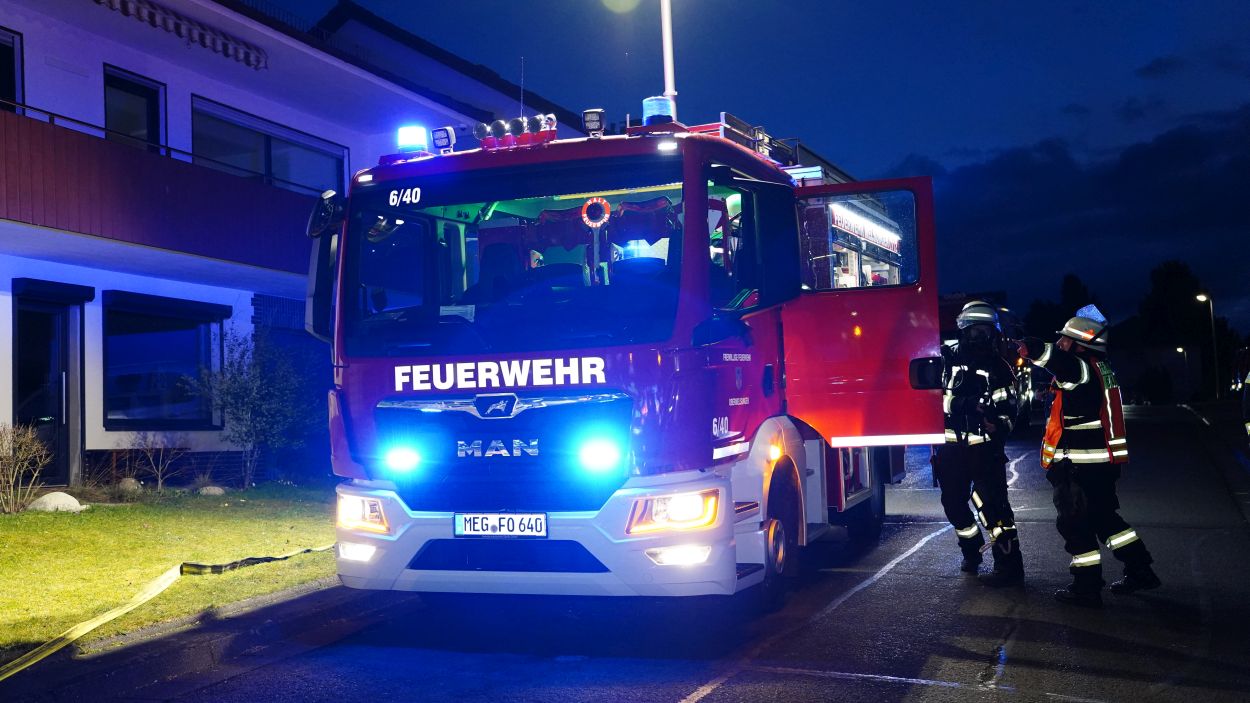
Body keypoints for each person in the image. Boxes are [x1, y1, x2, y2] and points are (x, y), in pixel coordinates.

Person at [1017, 305, 1161, 607]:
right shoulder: (1100, 368)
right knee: (1105, 519)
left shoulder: (1080, 367)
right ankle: (1140, 569)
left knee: (1074, 525)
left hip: (1079, 466)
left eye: (1065, 339)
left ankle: (1086, 586)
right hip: (1099, 464)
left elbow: (1057, 361)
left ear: (1081, 344)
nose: (1060, 343)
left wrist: (1033, 348)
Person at [933, 301, 1023, 586]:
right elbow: (930, 400)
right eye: (976, 331)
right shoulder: (943, 360)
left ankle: (1009, 567)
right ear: (964, 330)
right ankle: (971, 552)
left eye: (987, 331)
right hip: (951, 450)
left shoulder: (1000, 367)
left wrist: (1000, 425)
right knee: (953, 505)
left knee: (995, 508)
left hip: (986, 449)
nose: (981, 337)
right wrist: (963, 403)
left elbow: (1011, 409)